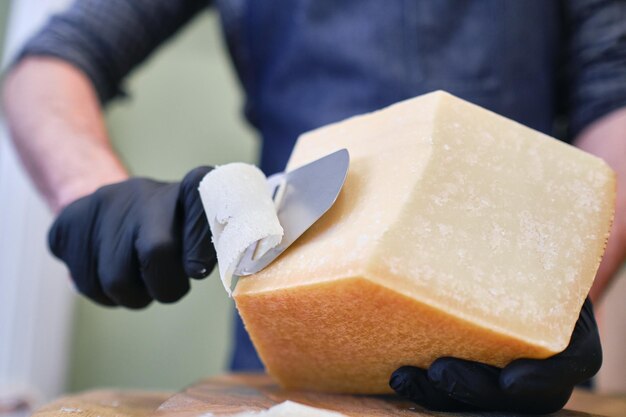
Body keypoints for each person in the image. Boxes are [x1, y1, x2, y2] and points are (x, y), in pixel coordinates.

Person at [2, 0, 625, 413]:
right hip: (288, 356)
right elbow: (51, 63)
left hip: (510, 379)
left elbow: (616, 100)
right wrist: (93, 188)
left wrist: (548, 304)